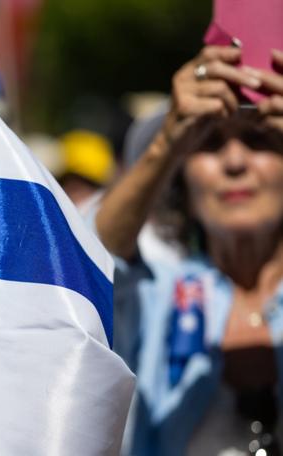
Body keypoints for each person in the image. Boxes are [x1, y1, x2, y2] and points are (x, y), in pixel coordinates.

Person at [96, 46, 283, 454]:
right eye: (209, 143)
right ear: (180, 178)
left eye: (259, 139)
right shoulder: (155, 296)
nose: (235, 162)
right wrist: (167, 139)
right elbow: (91, 260)